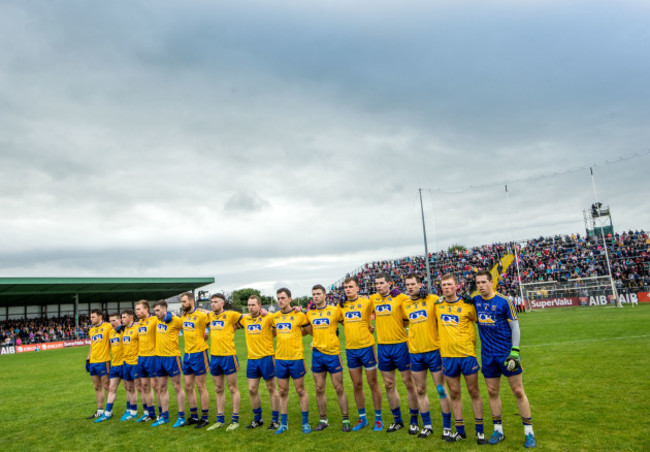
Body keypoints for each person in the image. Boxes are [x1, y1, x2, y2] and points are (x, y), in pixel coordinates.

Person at [473, 270, 536, 448]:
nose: (481, 286)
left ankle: (529, 432)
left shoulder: (504, 301)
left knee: (517, 390)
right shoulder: (475, 301)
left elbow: (515, 328)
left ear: (491, 283)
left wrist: (515, 351)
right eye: (478, 283)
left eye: (484, 282)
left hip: (506, 354)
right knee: (492, 392)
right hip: (488, 355)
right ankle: (498, 430)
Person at [434, 273, 486, 444]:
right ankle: (460, 430)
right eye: (444, 285)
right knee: (454, 393)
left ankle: (480, 431)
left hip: (467, 355)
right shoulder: (437, 306)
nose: (446, 287)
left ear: (457, 285)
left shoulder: (468, 305)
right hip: (448, 357)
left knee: (474, 391)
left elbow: (483, 322)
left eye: (449, 284)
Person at [401, 274, 453, 439]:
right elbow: (400, 321)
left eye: (413, 284)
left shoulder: (433, 299)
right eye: (408, 285)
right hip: (415, 353)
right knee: (420, 389)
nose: (410, 287)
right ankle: (427, 425)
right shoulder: (405, 304)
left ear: (420, 284)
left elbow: (449, 300)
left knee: (441, 389)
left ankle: (446, 427)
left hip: (434, 351)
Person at [369, 272, 420, 434]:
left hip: (400, 346)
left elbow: (415, 307)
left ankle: (414, 420)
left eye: (382, 282)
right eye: (376, 283)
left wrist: (420, 293)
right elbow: (358, 305)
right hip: (383, 347)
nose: (378, 285)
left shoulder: (402, 298)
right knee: (389, 384)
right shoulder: (373, 299)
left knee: (408, 383)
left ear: (390, 283)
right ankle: (397, 420)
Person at [304, 284, 351, 432]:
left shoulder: (335, 310)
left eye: (318, 294)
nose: (316, 296)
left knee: (339, 387)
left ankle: (346, 420)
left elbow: (347, 324)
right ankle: (323, 420)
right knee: (319, 388)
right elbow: (307, 330)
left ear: (325, 295)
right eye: (314, 294)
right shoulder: (309, 314)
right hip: (317, 354)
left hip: (333, 353)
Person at [339, 276, 383, 431]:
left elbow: (383, 311)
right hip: (351, 350)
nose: (348, 289)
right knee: (357, 385)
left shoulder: (367, 302)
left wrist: (369, 327)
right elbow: (338, 319)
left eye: (350, 287)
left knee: (373, 383)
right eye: (345, 287)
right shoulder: (341, 306)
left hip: (367, 348)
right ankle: (362, 418)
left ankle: (378, 419)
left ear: (357, 288)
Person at [271, 287, 311, 434]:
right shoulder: (274, 317)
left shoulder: (299, 315)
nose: (280, 300)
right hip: (280, 359)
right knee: (282, 391)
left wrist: (298, 334)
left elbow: (309, 330)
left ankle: (305, 423)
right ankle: (284, 424)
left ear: (289, 299)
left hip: (296, 358)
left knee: (300, 390)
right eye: (278, 298)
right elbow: (273, 333)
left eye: (283, 298)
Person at [239, 294, 281, 430]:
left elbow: (279, 321)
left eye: (253, 305)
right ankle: (258, 419)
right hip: (252, 359)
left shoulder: (268, 317)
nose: (251, 308)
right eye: (249, 305)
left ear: (259, 305)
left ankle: (275, 420)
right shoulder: (245, 319)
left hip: (267, 357)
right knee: (252, 389)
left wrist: (268, 313)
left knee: (271, 388)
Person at [206, 294, 243, 432]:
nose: (213, 304)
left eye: (215, 302)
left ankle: (235, 419)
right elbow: (201, 313)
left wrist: (237, 326)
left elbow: (246, 318)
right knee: (218, 389)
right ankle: (220, 419)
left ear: (223, 303)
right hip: (214, 357)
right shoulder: (209, 316)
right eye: (211, 302)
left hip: (228, 356)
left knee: (233, 388)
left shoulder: (231, 315)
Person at [151, 300, 186, 427]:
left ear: (165, 309)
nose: (156, 313)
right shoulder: (155, 320)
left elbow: (188, 325)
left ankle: (181, 416)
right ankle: (164, 416)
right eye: (154, 311)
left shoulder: (175, 320)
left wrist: (174, 315)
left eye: (158, 310)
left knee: (177, 386)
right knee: (161, 388)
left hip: (172, 358)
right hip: (159, 358)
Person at [179, 292, 211, 429]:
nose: (182, 304)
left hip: (199, 353)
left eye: (184, 301)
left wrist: (208, 332)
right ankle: (193, 416)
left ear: (191, 301)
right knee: (188, 386)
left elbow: (213, 323)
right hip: (187, 354)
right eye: (182, 302)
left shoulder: (202, 315)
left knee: (201, 386)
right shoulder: (184, 316)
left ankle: (204, 418)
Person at [94, 313, 125, 422]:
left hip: (126, 363)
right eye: (110, 321)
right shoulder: (110, 332)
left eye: (114, 321)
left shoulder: (125, 330)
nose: (112, 323)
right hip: (115, 364)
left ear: (120, 320)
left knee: (130, 388)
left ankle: (132, 411)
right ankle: (107, 413)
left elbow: (135, 325)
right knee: (111, 388)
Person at [134, 300, 159, 422]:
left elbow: (166, 319)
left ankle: (162, 412)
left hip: (152, 357)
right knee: (144, 386)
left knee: (156, 385)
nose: (136, 311)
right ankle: (151, 413)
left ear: (146, 309)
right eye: (136, 309)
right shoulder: (139, 323)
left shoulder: (154, 320)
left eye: (139, 309)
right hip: (141, 357)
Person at [85, 309, 112, 420]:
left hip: (104, 361)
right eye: (90, 317)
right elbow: (92, 346)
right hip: (93, 362)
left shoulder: (108, 326)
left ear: (100, 317)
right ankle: (100, 410)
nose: (91, 319)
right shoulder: (91, 330)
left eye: (93, 317)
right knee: (97, 387)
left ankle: (109, 410)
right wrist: (88, 359)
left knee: (106, 386)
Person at [119, 309, 140, 421]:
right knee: (129, 388)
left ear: (131, 317)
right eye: (121, 317)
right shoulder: (124, 330)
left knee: (140, 388)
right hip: (126, 363)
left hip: (135, 363)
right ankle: (132, 411)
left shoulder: (137, 328)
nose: (122, 319)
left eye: (124, 317)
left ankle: (146, 412)